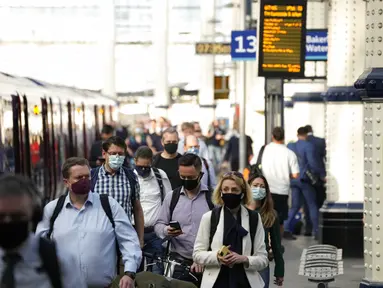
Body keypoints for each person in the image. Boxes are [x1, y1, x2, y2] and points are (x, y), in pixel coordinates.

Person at [36, 157, 142, 288]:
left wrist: (129, 273)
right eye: (78, 177)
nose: (84, 181)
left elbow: (129, 240)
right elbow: (37, 247)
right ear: (66, 182)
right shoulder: (52, 210)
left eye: (87, 176)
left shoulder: (108, 205)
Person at [0, 174, 85, 288]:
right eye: (1, 217)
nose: (8, 222)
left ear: (35, 217)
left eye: (17, 216)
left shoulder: (59, 260)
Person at [193, 171, 268, 288]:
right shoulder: (210, 217)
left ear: (242, 193)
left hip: (245, 281)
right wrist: (217, 256)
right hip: (217, 281)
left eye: (234, 190)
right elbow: (197, 254)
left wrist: (244, 259)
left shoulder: (254, 218)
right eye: (226, 189)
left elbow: (263, 259)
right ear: (220, 192)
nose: (229, 193)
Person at [154, 153, 214, 286]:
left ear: (200, 175)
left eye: (191, 177)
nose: (187, 180)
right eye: (183, 177)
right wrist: (166, 230)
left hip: (208, 265)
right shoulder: (172, 197)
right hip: (179, 264)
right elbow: (158, 224)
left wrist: (204, 257)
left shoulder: (213, 199)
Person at [91, 136, 145, 248]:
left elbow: (137, 209)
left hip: (124, 241)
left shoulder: (131, 177)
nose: (117, 157)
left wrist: (140, 239)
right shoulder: (92, 177)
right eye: (113, 153)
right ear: (104, 154)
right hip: (98, 242)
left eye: (120, 154)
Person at [134, 146, 172, 274]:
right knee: (134, 272)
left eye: (146, 166)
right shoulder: (129, 178)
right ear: (135, 161)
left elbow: (169, 201)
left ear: (151, 162)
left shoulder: (160, 176)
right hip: (133, 233)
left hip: (155, 233)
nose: (143, 170)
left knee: (156, 274)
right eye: (140, 167)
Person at [284, 127, 324, 240]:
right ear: (306, 135)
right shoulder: (309, 146)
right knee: (312, 204)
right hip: (305, 179)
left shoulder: (290, 146)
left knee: (295, 206)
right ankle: (316, 231)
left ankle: (286, 228)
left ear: (297, 134)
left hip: (293, 179)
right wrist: (321, 174)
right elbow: (313, 163)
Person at [260, 127, 300, 236]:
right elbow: (296, 174)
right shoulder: (289, 153)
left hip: (266, 189)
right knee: (280, 221)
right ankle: (277, 244)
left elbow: (256, 164)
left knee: (265, 217)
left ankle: (266, 242)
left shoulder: (265, 149)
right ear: (283, 137)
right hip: (282, 191)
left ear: (272, 136)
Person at [247, 173, 284, 287]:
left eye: (262, 187)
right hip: (240, 261)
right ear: (248, 187)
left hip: (261, 262)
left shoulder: (270, 214)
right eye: (255, 185)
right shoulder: (238, 210)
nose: (259, 189)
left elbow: (276, 244)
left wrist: (279, 270)